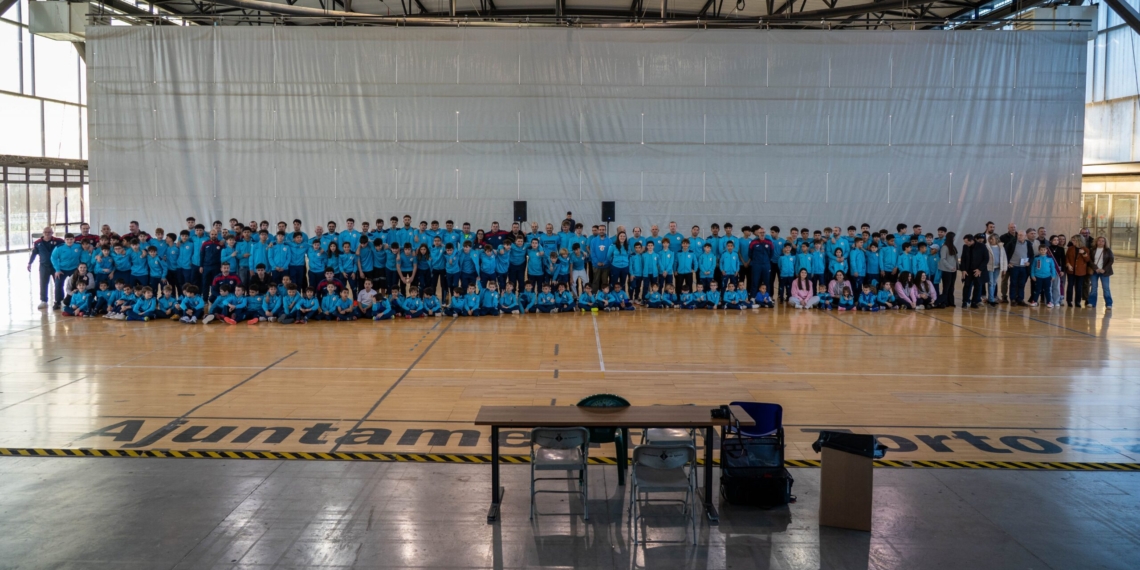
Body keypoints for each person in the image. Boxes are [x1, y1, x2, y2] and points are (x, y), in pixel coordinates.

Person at [29, 226, 66, 309]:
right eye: (45, 232)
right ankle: (44, 301)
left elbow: (66, 246)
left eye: (49, 232)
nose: (47, 234)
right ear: (43, 233)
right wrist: (30, 263)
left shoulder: (58, 241)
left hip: (56, 266)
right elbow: (34, 253)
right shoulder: (37, 242)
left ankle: (60, 300)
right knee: (43, 283)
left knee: (58, 283)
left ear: (52, 233)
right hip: (44, 266)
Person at [1088, 236, 1114, 311]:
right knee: (1093, 287)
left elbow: (1111, 261)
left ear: (1105, 242)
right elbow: (1090, 261)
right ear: (1096, 241)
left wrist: (1104, 269)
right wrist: (1096, 268)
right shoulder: (1092, 250)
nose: (1101, 242)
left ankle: (1109, 304)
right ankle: (1092, 302)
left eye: (1103, 241)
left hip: (1104, 272)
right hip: (1094, 271)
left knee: (1106, 288)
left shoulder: (1108, 250)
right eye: (1099, 241)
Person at [1064, 234, 1091, 308]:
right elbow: (1066, 258)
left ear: (1078, 240)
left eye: (1074, 240)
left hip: (1080, 271)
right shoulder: (1070, 249)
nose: (1072, 242)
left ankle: (1077, 301)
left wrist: (1084, 253)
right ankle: (1069, 301)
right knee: (1070, 286)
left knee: (1079, 287)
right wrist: (1068, 264)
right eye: (1072, 240)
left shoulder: (1085, 249)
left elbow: (1088, 260)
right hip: (1071, 271)